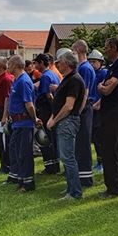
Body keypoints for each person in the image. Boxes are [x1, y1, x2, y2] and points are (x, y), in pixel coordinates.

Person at [48, 51, 87, 199]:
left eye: (60, 62)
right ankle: (71, 188)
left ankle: (75, 192)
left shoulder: (74, 80)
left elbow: (69, 105)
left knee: (68, 157)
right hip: (65, 121)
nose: (58, 65)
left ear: (67, 63)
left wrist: (54, 119)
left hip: (68, 121)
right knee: (65, 157)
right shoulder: (68, 79)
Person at [96, 37, 118, 197]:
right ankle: (112, 185)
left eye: (107, 47)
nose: (105, 50)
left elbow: (107, 89)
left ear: (114, 47)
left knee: (110, 149)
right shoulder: (112, 66)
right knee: (107, 149)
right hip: (108, 111)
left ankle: (115, 187)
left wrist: (100, 87)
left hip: (115, 112)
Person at [2, 54, 40, 192]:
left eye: (10, 64)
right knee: (16, 151)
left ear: (16, 65)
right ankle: (21, 179)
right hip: (17, 123)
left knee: (24, 153)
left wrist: (34, 119)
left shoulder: (23, 81)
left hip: (24, 123)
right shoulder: (16, 80)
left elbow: (29, 104)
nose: (8, 67)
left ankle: (28, 183)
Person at [72, 40, 96, 187]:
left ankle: (85, 178)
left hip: (84, 109)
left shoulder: (85, 68)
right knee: (79, 144)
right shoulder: (81, 67)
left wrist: (78, 112)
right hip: (82, 108)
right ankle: (80, 175)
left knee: (83, 143)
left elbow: (85, 93)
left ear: (78, 50)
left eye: (73, 51)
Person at [33, 53, 61, 174]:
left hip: (45, 110)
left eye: (36, 63)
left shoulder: (45, 76)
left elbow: (48, 95)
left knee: (45, 138)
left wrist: (53, 110)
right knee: (52, 138)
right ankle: (55, 165)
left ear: (41, 63)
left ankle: (50, 167)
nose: (35, 66)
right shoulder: (53, 74)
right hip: (51, 110)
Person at [88, 49, 107, 172]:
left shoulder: (104, 73)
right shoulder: (93, 73)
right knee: (95, 137)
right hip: (93, 107)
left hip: (100, 108)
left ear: (100, 62)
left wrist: (98, 103)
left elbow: (105, 92)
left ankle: (103, 162)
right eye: (90, 61)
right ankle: (99, 161)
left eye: (94, 61)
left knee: (100, 137)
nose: (92, 64)